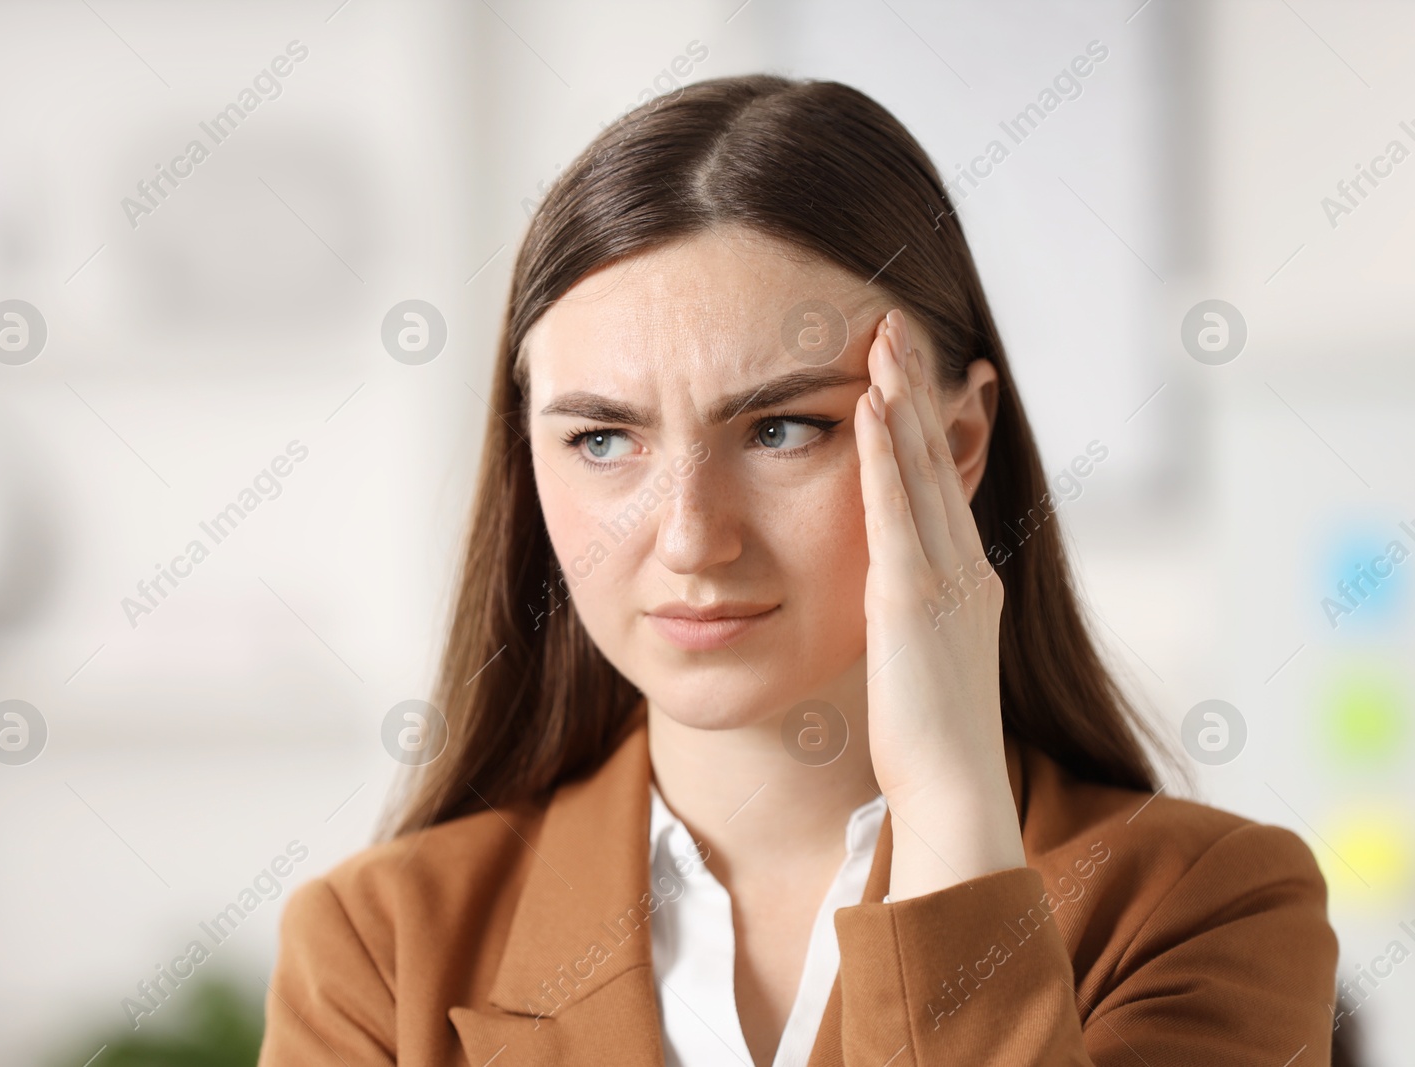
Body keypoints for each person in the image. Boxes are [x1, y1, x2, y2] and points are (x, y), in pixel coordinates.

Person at [257, 74, 1339, 1066]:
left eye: (780, 428)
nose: (689, 537)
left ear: (956, 442)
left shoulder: (1209, 907)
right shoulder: (378, 948)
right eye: (601, 439)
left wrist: (948, 799)